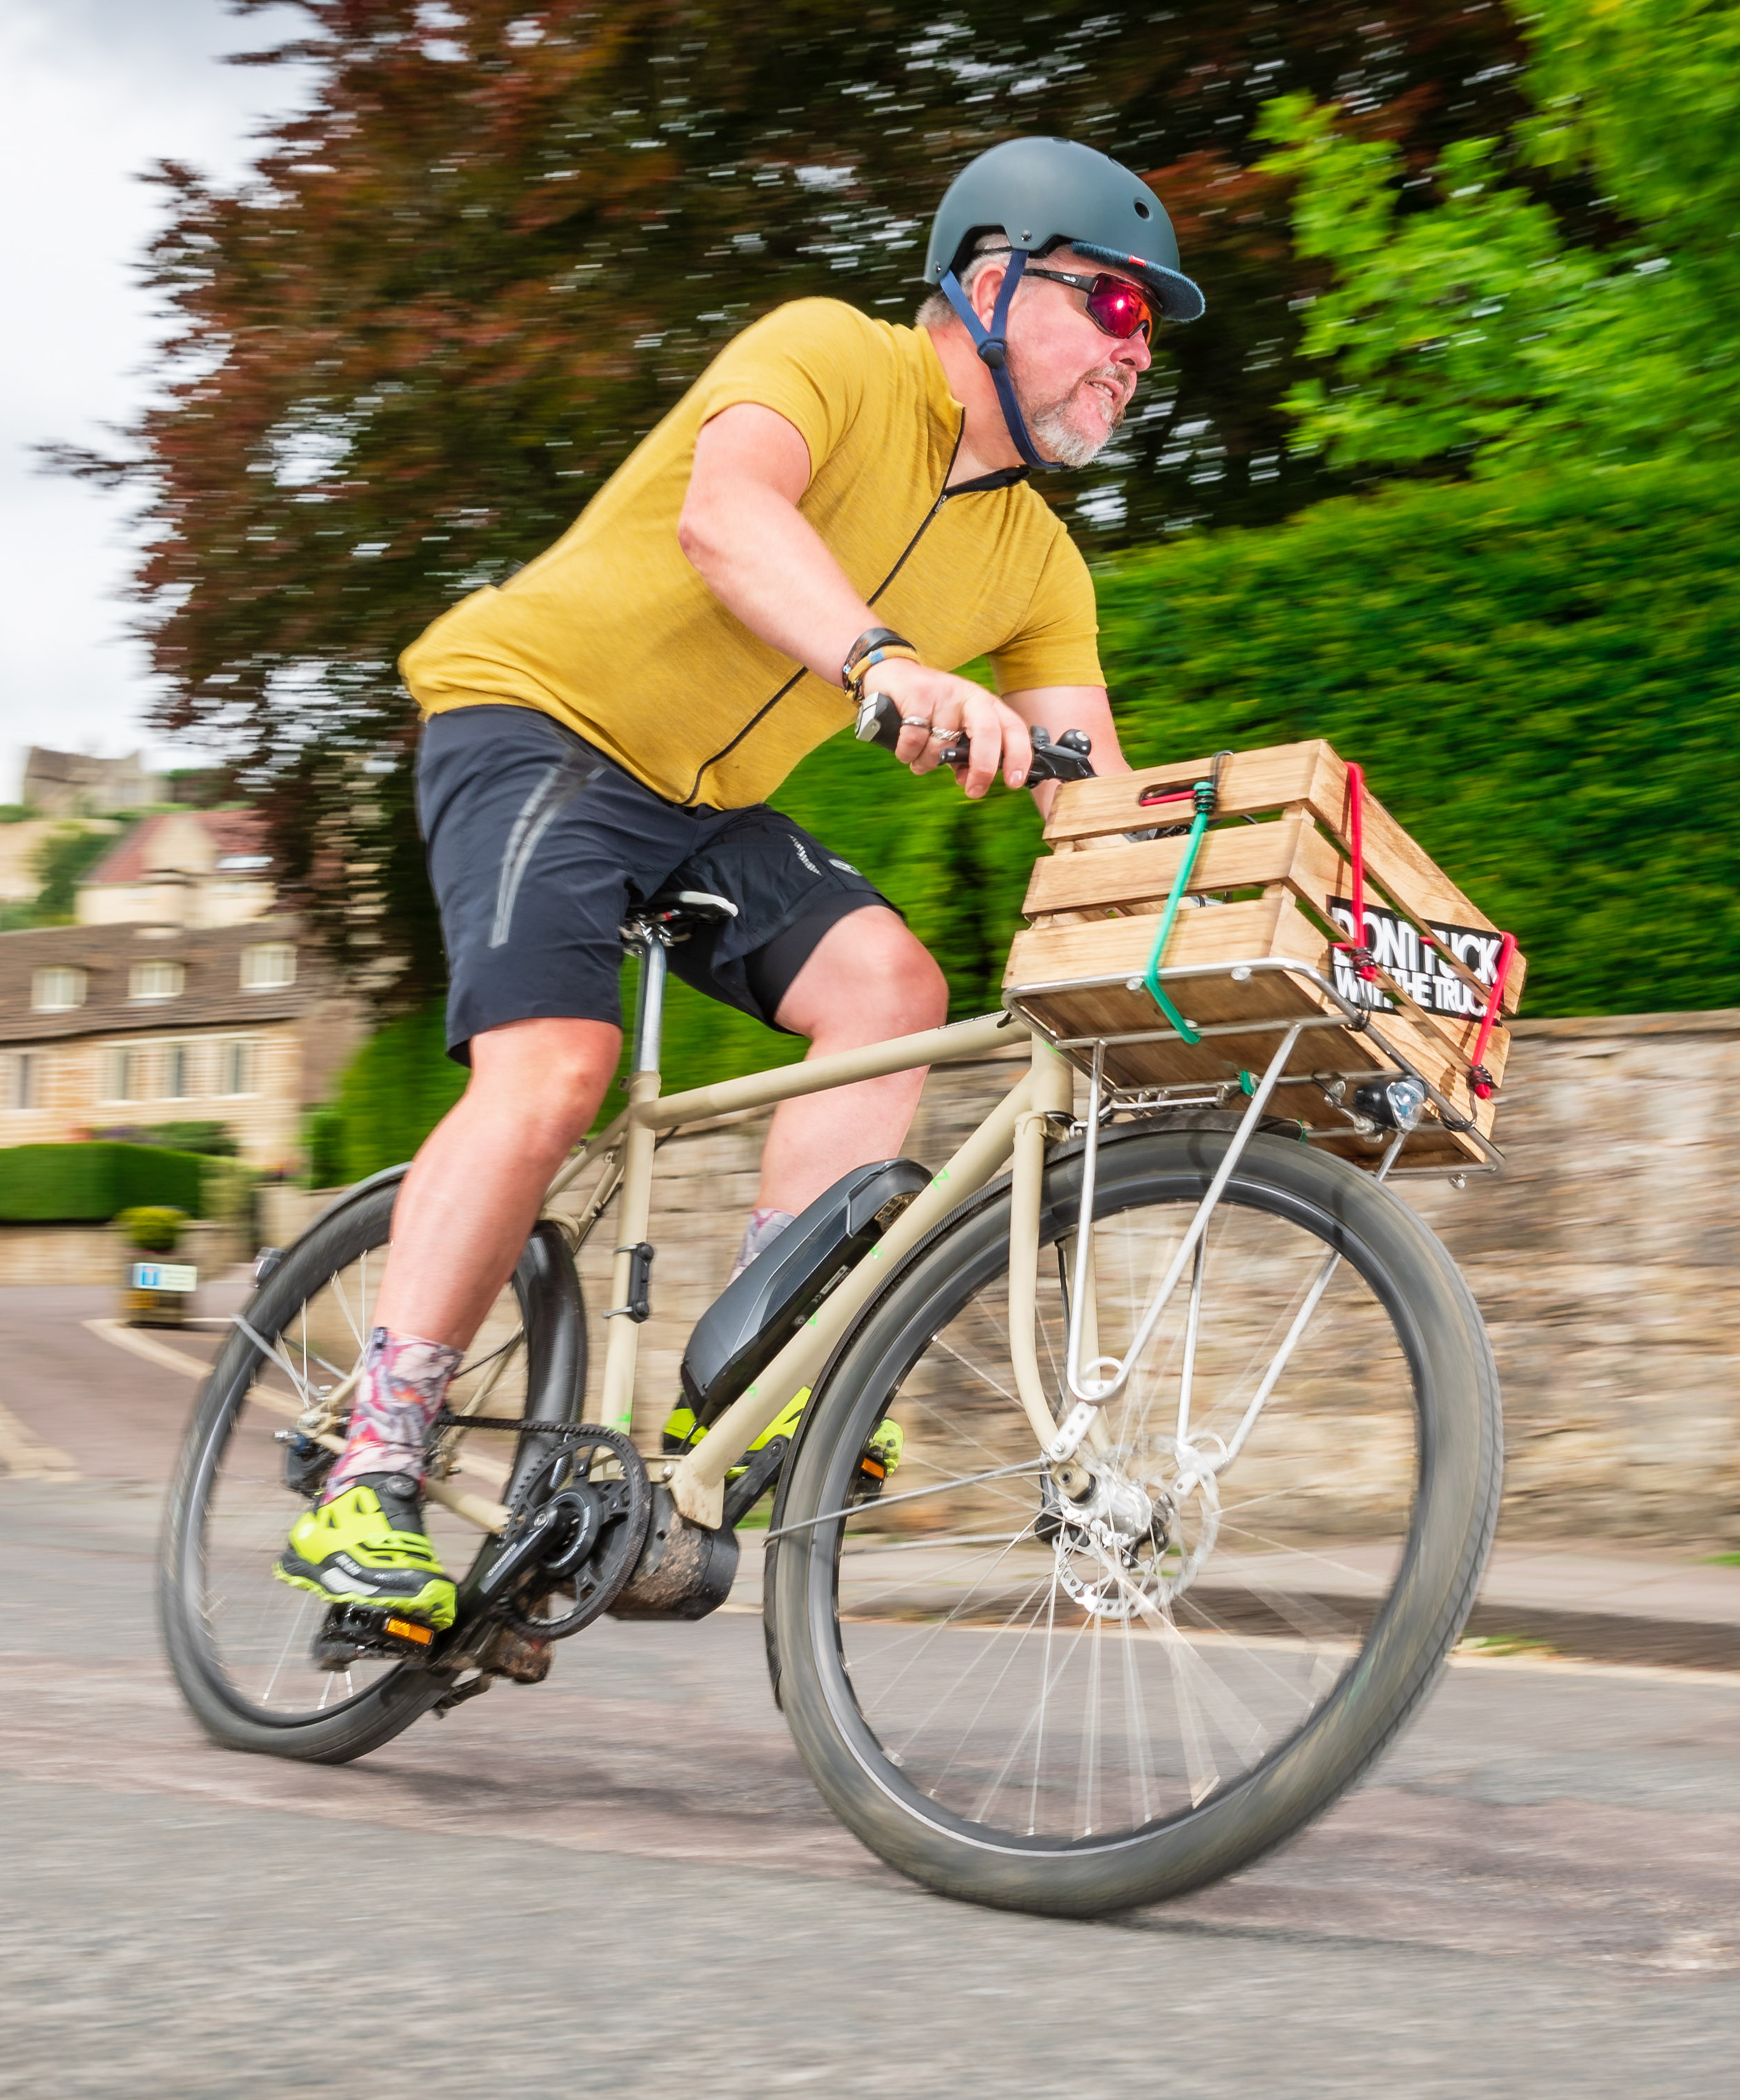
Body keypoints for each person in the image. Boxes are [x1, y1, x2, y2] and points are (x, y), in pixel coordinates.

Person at [278, 136, 1208, 1632]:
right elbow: (730, 519)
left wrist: (1189, 939)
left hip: (701, 802)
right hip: (534, 724)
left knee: (890, 984)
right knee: (554, 1070)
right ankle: (367, 1470)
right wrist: (883, 661)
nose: (1134, 351)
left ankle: (761, 1371)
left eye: (1148, 329)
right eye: (1109, 306)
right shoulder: (829, 355)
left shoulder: (1042, 562)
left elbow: (1089, 796)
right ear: (988, 282)